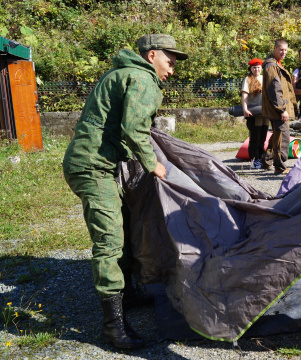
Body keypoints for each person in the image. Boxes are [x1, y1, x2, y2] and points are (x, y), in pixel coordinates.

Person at [62, 34, 187, 349]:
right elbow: (134, 129)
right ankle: (113, 329)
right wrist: (154, 164)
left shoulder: (120, 73)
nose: (172, 71)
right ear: (152, 55)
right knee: (110, 242)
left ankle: (129, 293)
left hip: (91, 163)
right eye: (169, 62)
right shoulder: (142, 78)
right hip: (93, 168)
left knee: (127, 221)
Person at [261, 39, 298, 175]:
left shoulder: (276, 64)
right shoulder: (272, 66)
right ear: (274, 48)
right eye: (281, 49)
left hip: (277, 109)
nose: (284, 52)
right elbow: (275, 90)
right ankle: (280, 166)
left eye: (286, 50)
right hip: (278, 110)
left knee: (277, 135)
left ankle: (267, 160)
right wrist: (282, 109)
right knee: (282, 137)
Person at [241, 58, 269, 169]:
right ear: (250, 68)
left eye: (258, 67)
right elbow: (244, 95)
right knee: (255, 137)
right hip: (253, 113)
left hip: (265, 113)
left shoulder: (264, 78)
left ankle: (262, 158)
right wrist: (245, 109)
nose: (256, 69)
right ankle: (254, 159)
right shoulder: (247, 79)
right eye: (254, 67)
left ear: (261, 68)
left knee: (263, 136)